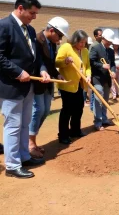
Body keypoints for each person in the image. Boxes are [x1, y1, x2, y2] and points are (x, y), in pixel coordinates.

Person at [0, 0, 50, 179]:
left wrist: (43, 70)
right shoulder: (4, 26)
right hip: (11, 87)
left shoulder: (29, 29)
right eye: (32, 13)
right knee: (13, 125)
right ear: (20, 8)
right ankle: (12, 165)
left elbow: (35, 58)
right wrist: (18, 72)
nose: (34, 17)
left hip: (28, 87)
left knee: (24, 124)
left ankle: (23, 156)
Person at [29, 17, 69, 158]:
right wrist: (43, 71)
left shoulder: (52, 44)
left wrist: (57, 75)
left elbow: (51, 64)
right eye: (59, 35)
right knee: (37, 111)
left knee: (45, 110)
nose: (60, 39)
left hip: (48, 83)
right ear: (51, 30)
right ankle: (30, 144)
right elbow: (36, 61)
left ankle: (31, 140)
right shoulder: (37, 40)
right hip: (37, 83)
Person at [55, 30, 91, 144]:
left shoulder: (85, 51)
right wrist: (65, 61)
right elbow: (56, 62)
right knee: (67, 110)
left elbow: (88, 66)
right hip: (68, 84)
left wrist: (88, 75)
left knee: (79, 108)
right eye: (81, 42)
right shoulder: (66, 47)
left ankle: (75, 130)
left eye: (84, 42)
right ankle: (63, 135)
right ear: (75, 40)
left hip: (80, 84)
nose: (83, 45)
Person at [90, 29, 116, 130]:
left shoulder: (110, 50)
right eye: (108, 41)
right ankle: (98, 122)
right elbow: (91, 62)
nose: (109, 43)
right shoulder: (95, 48)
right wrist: (102, 66)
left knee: (105, 99)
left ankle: (104, 119)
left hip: (107, 79)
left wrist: (113, 71)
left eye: (111, 42)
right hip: (97, 78)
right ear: (103, 38)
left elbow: (112, 63)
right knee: (98, 99)